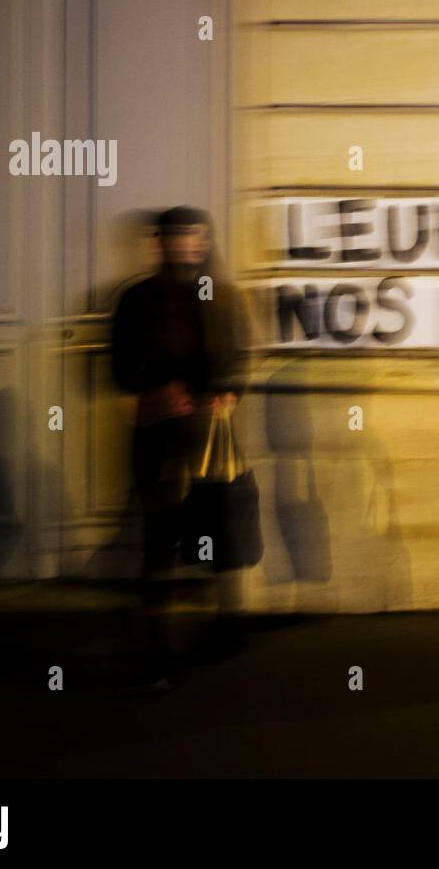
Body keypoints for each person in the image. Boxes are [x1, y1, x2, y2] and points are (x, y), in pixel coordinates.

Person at [110, 206, 253, 693]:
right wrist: (153, 395)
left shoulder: (225, 297)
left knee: (218, 528)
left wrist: (228, 392)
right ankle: (159, 649)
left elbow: (239, 359)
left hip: (210, 435)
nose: (187, 246)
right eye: (177, 237)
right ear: (161, 242)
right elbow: (121, 369)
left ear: (206, 241)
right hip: (159, 435)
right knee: (160, 539)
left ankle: (224, 627)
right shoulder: (138, 298)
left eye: (195, 237)